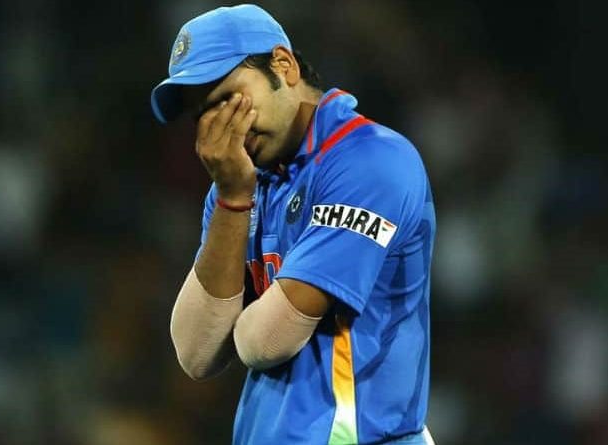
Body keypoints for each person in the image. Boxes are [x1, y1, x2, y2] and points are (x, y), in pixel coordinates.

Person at [152, 4, 436, 445]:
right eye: (203, 115)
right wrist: (231, 200)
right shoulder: (240, 184)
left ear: (283, 65)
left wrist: (238, 321)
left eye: (228, 99)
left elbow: (266, 342)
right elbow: (196, 351)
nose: (224, 127)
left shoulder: (371, 161)